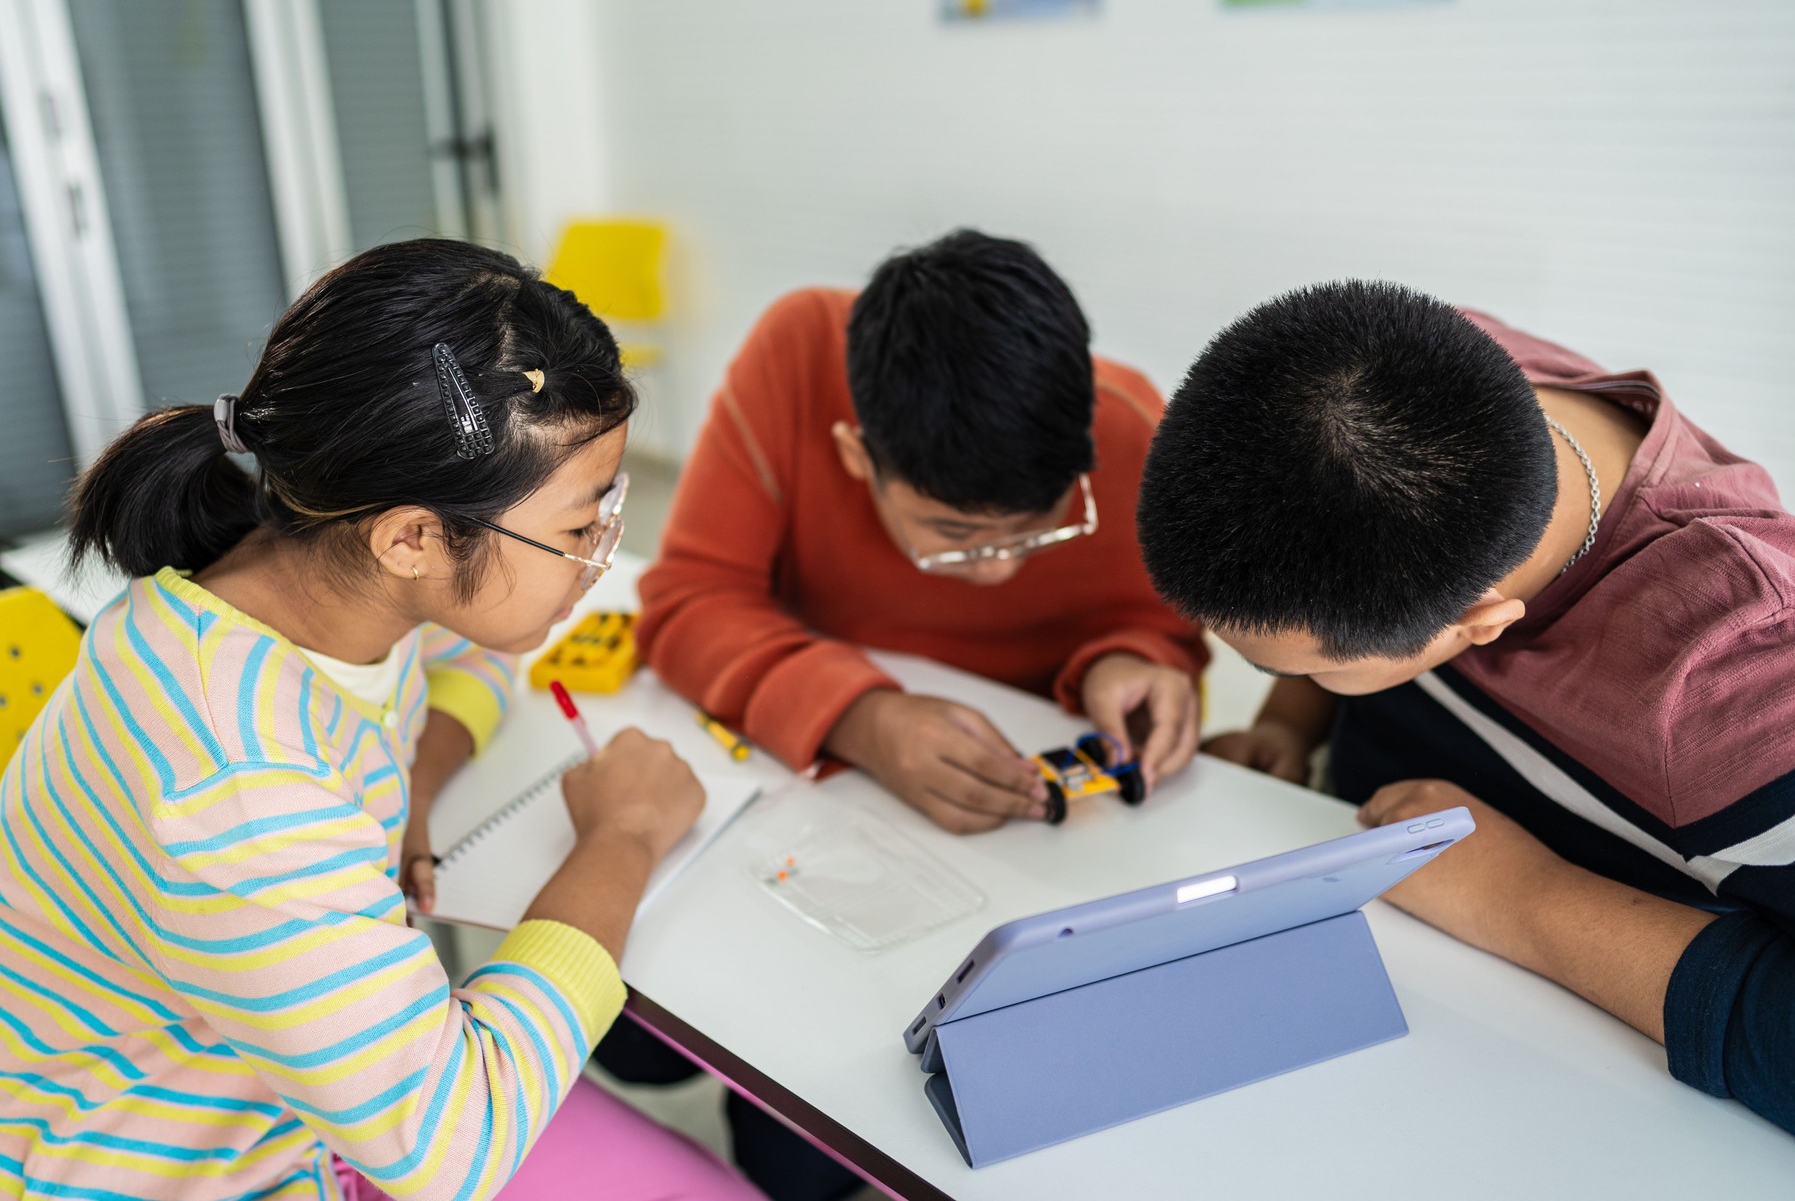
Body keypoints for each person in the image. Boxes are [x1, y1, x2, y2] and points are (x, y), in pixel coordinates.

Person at [0, 240, 760, 1200]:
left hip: (301, 1096)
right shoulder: (233, 791)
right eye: (581, 529)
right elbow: (452, 1145)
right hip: (174, 1166)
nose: (600, 558)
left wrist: (415, 782)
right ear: (412, 538)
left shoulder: (300, 568)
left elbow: (472, 642)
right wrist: (623, 835)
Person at [1135, 280, 1795, 1196]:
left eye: (1298, 672)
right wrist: (1290, 723)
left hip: (1571, 1101)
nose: (1292, 686)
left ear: (1480, 622)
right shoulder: (1408, 373)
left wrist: (1528, 901)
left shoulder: (1750, 686)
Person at [616, 229, 1207, 1199]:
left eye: (1043, 524)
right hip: (815, 823)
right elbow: (688, 601)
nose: (1004, 569)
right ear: (857, 454)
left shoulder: (1133, 424)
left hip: (1027, 866)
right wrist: (858, 717)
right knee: (679, 1055)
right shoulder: (797, 356)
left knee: (837, 1140)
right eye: (956, 535)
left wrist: (1135, 660)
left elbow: (1155, 620)